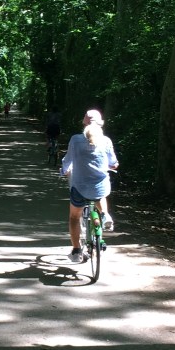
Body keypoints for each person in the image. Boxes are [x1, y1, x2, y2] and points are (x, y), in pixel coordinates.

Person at [60, 109, 118, 263]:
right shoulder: (106, 141)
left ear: (84, 123)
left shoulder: (75, 140)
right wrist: (113, 165)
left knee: (74, 217)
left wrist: (64, 171)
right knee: (100, 192)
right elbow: (113, 162)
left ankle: (76, 251)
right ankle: (105, 215)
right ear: (100, 124)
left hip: (79, 187)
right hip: (100, 187)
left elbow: (68, 160)